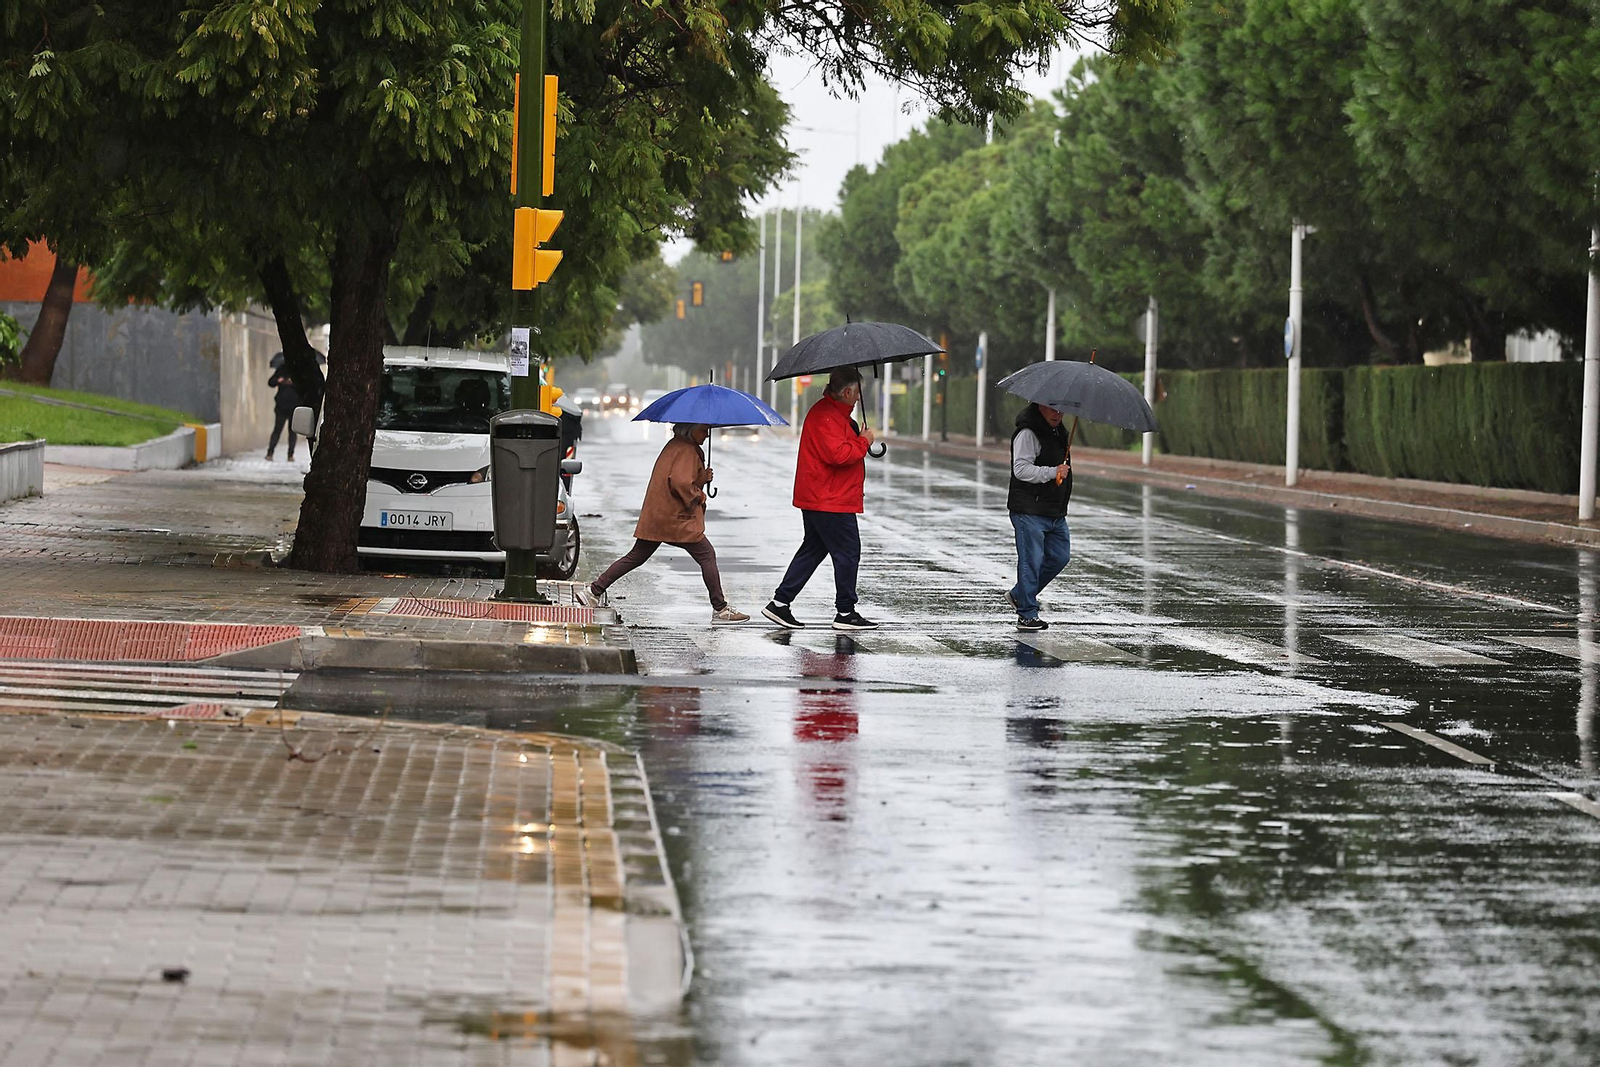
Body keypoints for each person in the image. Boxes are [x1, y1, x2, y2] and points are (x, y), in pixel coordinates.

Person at [577, 423, 749, 625]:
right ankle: (720, 609)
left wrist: (701, 478)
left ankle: (593, 591)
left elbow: (680, 478)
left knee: (636, 556)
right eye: (704, 430)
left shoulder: (676, 445)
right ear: (691, 429)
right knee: (707, 554)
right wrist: (699, 495)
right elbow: (681, 482)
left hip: (659, 516)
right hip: (675, 518)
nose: (707, 435)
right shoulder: (687, 449)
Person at [762, 366, 879, 631]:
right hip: (829, 499)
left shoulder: (835, 416)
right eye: (857, 392)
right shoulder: (826, 416)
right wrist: (862, 442)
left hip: (822, 497)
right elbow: (838, 455)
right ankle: (845, 612)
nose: (859, 398)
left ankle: (780, 603)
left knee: (814, 549)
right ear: (847, 391)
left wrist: (858, 436)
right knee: (848, 552)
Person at [1005, 401, 1073, 631]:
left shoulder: (1059, 432)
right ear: (1039, 406)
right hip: (1029, 510)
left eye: (1062, 409)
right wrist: (1053, 471)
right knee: (1030, 562)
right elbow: (1021, 469)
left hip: (1054, 510)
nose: (1058, 413)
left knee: (1059, 557)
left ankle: (1019, 595)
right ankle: (1027, 614)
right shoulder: (1027, 433)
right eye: (1053, 407)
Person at [265, 357, 300, 461]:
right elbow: (271, 382)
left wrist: (293, 383)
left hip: (294, 406)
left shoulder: (299, 371)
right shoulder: (281, 369)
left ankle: (290, 455)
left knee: (293, 432)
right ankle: (270, 453)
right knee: (277, 430)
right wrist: (279, 380)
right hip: (281, 406)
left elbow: (305, 385)